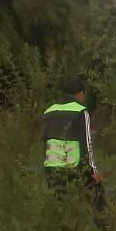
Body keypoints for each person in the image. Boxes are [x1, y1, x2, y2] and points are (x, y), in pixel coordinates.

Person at [42, 76, 104, 210]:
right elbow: (87, 142)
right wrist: (94, 170)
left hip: (52, 166)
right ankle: (103, 228)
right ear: (81, 93)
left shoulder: (50, 111)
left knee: (60, 207)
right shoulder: (81, 111)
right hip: (75, 166)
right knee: (98, 198)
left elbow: (46, 140)